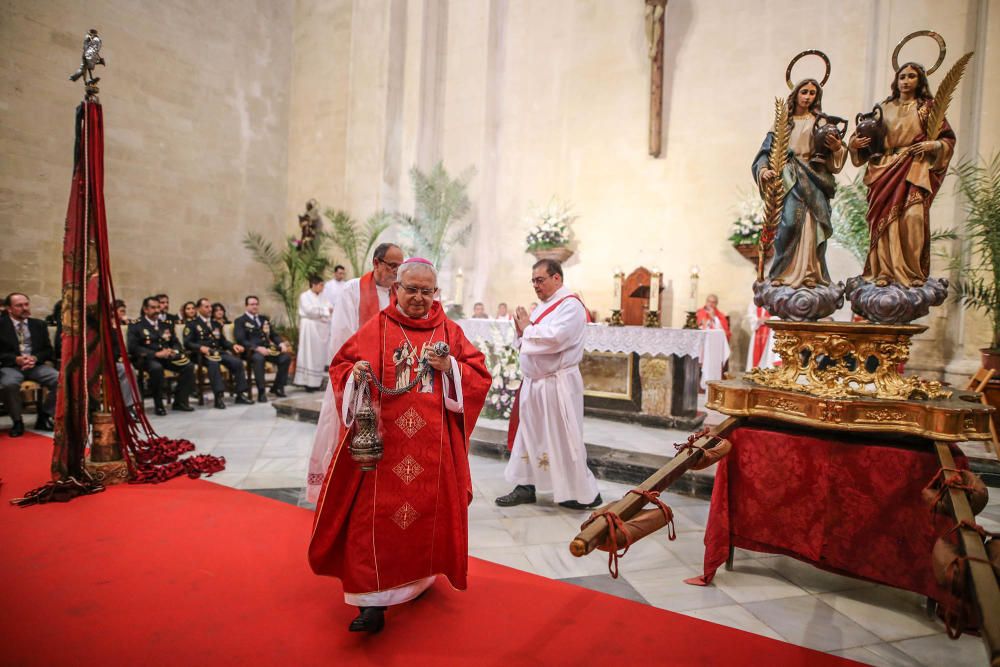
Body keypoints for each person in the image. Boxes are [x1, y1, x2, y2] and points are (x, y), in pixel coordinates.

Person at [308, 258, 490, 634]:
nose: (420, 298)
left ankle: (418, 580)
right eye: (412, 289)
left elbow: (478, 374)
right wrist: (356, 375)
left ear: (435, 293)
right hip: (383, 445)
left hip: (432, 445)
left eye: (427, 291)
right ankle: (370, 603)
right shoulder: (378, 328)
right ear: (397, 289)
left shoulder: (450, 330)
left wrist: (451, 368)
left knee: (424, 518)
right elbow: (342, 364)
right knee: (369, 518)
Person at [495, 260, 602, 510]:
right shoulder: (546, 306)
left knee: (563, 437)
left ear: (557, 278)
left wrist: (526, 330)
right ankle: (525, 485)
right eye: (533, 280)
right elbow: (530, 338)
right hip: (536, 383)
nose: (535, 285)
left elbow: (556, 338)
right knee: (529, 434)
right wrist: (523, 332)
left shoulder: (571, 306)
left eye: (540, 279)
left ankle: (580, 492)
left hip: (557, 384)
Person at [306, 243, 403, 503]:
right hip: (357, 376)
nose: (396, 272)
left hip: (390, 381)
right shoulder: (353, 291)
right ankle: (343, 492)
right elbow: (342, 338)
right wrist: (356, 369)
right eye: (392, 266)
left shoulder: (400, 293)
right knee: (346, 434)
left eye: (399, 267)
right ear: (376, 263)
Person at [848, 62, 955, 287]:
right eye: (902, 76)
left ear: (920, 80)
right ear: (896, 81)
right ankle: (885, 271)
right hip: (885, 167)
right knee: (886, 223)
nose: (906, 80)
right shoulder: (884, 107)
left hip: (914, 166)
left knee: (913, 218)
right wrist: (855, 144)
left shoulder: (928, 108)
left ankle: (913, 272)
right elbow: (867, 134)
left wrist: (933, 145)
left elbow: (946, 139)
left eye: (912, 76)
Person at [754, 78, 846, 288]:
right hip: (788, 179)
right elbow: (765, 153)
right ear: (795, 94)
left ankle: (811, 274)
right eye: (804, 92)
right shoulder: (783, 123)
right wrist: (765, 169)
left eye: (812, 93)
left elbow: (835, 154)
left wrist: (837, 147)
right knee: (788, 223)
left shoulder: (821, 121)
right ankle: (782, 274)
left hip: (815, 177)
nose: (808, 96)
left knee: (813, 226)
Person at [0, 293, 58, 437]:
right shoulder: (1, 325)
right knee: (8, 383)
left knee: (60, 378)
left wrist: (35, 357)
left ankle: (45, 415)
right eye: (19, 306)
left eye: (26, 304)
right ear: (9, 309)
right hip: (10, 366)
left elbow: (48, 350)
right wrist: (16, 359)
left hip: (35, 365)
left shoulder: (38, 325)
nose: (24, 308)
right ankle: (17, 421)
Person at [127, 296, 195, 415]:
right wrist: (156, 354)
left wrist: (174, 351)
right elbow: (133, 347)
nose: (157, 310)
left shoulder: (165, 324)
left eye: (158, 307)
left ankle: (180, 401)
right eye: (153, 308)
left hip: (167, 357)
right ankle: (159, 404)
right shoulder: (136, 325)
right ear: (145, 309)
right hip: (147, 359)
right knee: (156, 368)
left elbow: (175, 341)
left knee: (188, 366)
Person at [184, 298, 253, 409]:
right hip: (202, 355)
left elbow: (222, 341)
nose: (209, 309)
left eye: (210, 306)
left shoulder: (215, 323)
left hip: (218, 352)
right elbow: (187, 343)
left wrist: (232, 346)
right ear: (198, 309)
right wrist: (200, 347)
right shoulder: (192, 324)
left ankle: (240, 394)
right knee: (214, 364)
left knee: (237, 362)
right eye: (206, 307)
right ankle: (218, 396)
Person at [233, 296, 291, 402]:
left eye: (256, 304)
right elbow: (241, 340)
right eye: (252, 304)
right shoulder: (240, 321)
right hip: (250, 351)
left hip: (267, 349)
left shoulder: (263, 319)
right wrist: (257, 348)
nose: (255, 306)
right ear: (246, 306)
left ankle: (277, 387)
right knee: (259, 359)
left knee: (285, 358)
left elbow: (273, 335)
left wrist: (281, 343)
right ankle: (261, 391)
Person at [294, 275, 333, 391]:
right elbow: (309, 310)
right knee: (309, 354)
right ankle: (308, 383)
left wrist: (323, 311)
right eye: (321, 285)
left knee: (319, 355)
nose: (323, 288)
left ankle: (317, 382)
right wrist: (324, 311)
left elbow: (330, 307)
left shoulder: (323, 296)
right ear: (314, 285)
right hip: (309, 328)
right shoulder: (304, 296)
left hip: (321, 328)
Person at [745, 303, 777, 370]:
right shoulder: (755, 302)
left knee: (769, 352)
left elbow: (781, 315)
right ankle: (755, 372)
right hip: (758, 329)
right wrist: (758, 319)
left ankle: (768, 371)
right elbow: (750, 315)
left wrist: (769, 318)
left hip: (771, 331)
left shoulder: (775, 300)